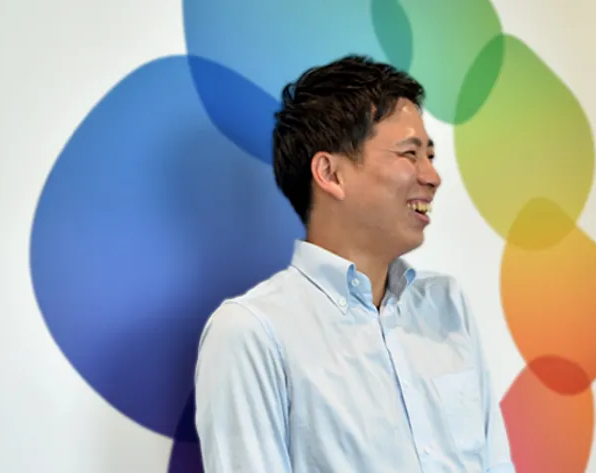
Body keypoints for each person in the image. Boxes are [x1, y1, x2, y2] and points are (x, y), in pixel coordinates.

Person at [194, 54, 516, 473]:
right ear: (330, 174)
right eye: (409, 154)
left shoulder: (446, 304)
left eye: (430, 156)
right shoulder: (252, 332)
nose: (432, 177)